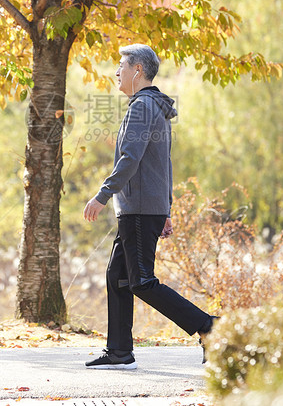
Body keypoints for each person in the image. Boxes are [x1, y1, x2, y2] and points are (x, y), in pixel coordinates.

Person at [83, 44, 217, 370]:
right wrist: (166, 208)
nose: (116, 71)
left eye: (121, 65)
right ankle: (119, 352)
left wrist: (102, 195)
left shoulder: (142, 107)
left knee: (141, 281)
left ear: (137, 70)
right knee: (118, 276)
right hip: (143, 207)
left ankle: (211, 328)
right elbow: (163, 162)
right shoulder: (151, 106)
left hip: (140, 208)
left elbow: (131, 159)